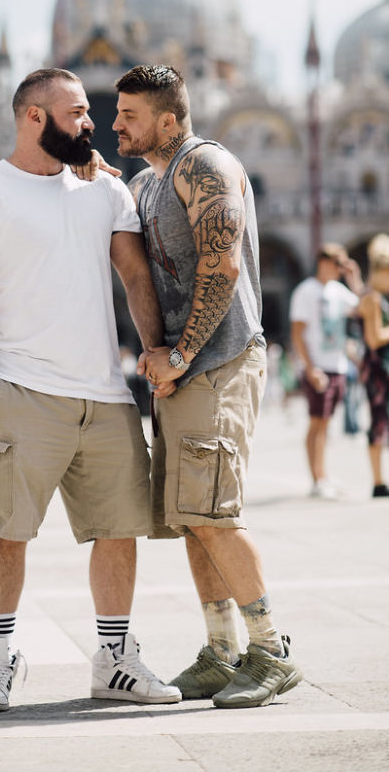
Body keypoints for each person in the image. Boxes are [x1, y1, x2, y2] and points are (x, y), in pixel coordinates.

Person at [0, 67, 181, 713]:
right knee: (8, 533)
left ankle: (115, 661)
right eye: (76, 112)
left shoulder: (105, 191)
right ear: (33, 118)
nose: (91, 121)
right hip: (22, 392)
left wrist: (155, 349)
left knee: (118, 530)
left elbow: (133, 276)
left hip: (104, 392)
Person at [110, 63, 302, 709]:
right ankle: (221, 651)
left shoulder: (205, 165)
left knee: (216, 516)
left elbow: (220, 263)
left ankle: (270, 649)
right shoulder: (148, 180)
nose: (116, 125)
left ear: (168, 119)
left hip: (217, 361)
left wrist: (183, 351)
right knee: (191, 519)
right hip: (183, 372)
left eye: (129, 115)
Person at [290, 243, 363, 498]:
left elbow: (364, 308)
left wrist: (354, 279)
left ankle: (324, 475)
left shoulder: (338, 290)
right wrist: (310, 368)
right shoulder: (305, 291)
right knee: (316, 423)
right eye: (336, 263)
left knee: (326, 423)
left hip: (337, 365)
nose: (339, 268)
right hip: (317, 366)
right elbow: (297, 333)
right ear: (323, 262)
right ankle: (317, 479)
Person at [358, 233, 389, 498]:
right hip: (379, 368)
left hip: (384, 366)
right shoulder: (373, 298)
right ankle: (379, 482)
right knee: (379, 422)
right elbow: (374, 337)